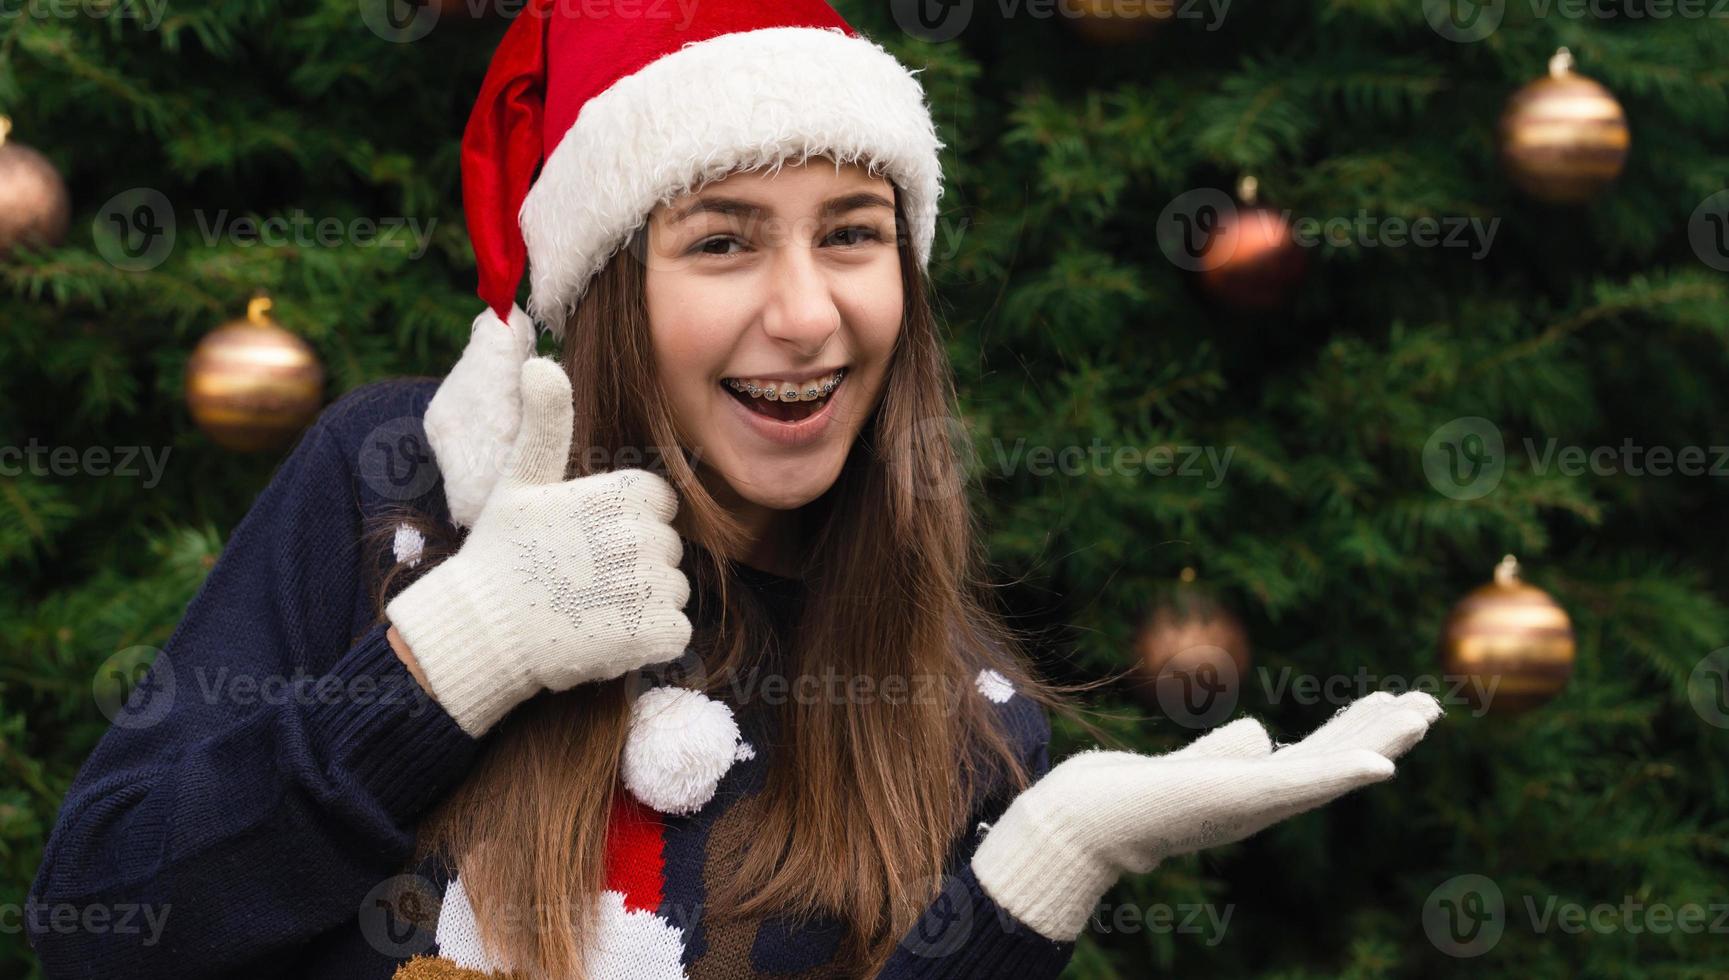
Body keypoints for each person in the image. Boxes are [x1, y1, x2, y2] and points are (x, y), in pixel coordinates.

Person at [27, 2, 1443, 978]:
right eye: (721, 243)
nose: (807, 312)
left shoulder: (954, 720)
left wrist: (1039, 875)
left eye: (851, 235)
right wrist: (449, 662)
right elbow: (97, 921)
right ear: (611, 293)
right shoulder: (395, 500)